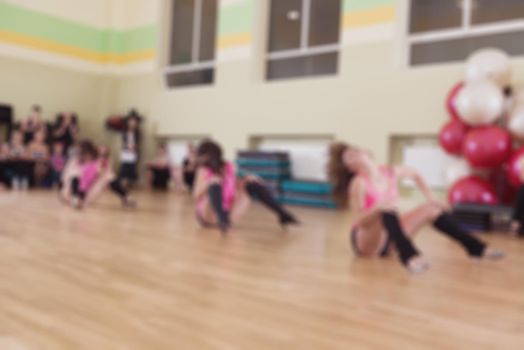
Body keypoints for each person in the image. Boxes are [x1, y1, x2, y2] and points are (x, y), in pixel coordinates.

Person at [327, 142, 504, 274]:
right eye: (349, 157)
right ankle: (410, 257)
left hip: (390, 239)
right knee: (387, 208)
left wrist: (432, 198)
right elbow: (359, 222)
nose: (354, 155)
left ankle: (476, 248)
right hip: (366, 244)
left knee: (431, 210)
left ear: (366, 152)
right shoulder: (358, 184)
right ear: (350, 167)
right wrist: (378, 207)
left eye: (354, 151)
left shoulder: (390, 171)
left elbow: (417, 175)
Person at [193, 139, 298, 233]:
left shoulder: (229, 166)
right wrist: (209, 182)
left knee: (252, 184)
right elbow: (196, 196)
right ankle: (223, 220)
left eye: (203, 155)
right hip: (207, 215)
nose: (201, 158)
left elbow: (232, 187)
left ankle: (283, 214)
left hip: (228, 211)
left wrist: (247, 179)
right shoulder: (203, 170)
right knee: (214, 183)